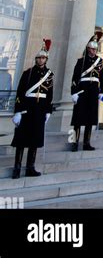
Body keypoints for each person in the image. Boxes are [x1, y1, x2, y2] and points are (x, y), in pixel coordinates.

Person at [11, 38, 53, 178]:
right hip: (27, 109)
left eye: (43, 58)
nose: (41, 60)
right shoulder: (27, 73)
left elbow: (49, 95)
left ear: (46, 59)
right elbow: (20, 92)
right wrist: (17, 111)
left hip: (40, 110)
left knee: (34, 140)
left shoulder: (49, 76)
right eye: (39, 58)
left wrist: (48, 111)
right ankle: (17, 167)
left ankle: (30, 167)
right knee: (22, 140)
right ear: (36, 59)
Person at [70, 31, 103, 151]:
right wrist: (73, 92)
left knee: (90, 118)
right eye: (92, 49)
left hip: (93, 90)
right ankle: (74, 142)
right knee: (77, 120)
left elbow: (102, 77)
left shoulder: (99, 61)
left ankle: (86, 142)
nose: (94, 51)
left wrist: (102, 91)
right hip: (82, 91)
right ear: (88, 48)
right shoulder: (81, 61)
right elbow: (75, 78)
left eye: (95, 49)